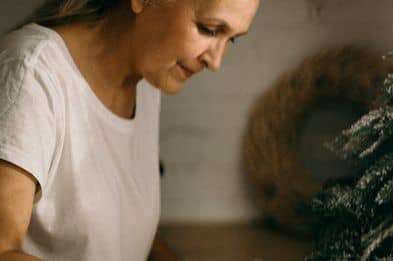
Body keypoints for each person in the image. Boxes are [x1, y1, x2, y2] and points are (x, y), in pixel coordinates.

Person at [0, 0, 260, 260]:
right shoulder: (32, 72)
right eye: (209, 29)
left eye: (232, 39)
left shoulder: (148, 80)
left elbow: (117, 232)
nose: (215, 62)